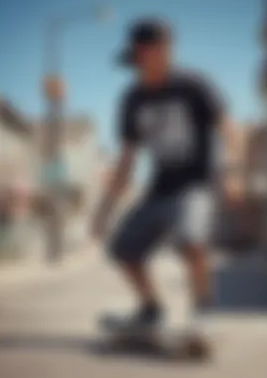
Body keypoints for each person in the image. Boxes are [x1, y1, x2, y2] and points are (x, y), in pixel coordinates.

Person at [92, 18, 225, 331]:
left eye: (167, 48)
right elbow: (126, 160)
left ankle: (203, 312)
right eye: (155, 50)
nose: (164, 55)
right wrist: (104, 210)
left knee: (192, 241)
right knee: (123, 250)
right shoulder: (132, 99)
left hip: (196, 184)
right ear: (141, 53)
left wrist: (231, 171)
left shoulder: (193, 85)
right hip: (159, 188)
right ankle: (151, 309)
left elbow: (225, 126)